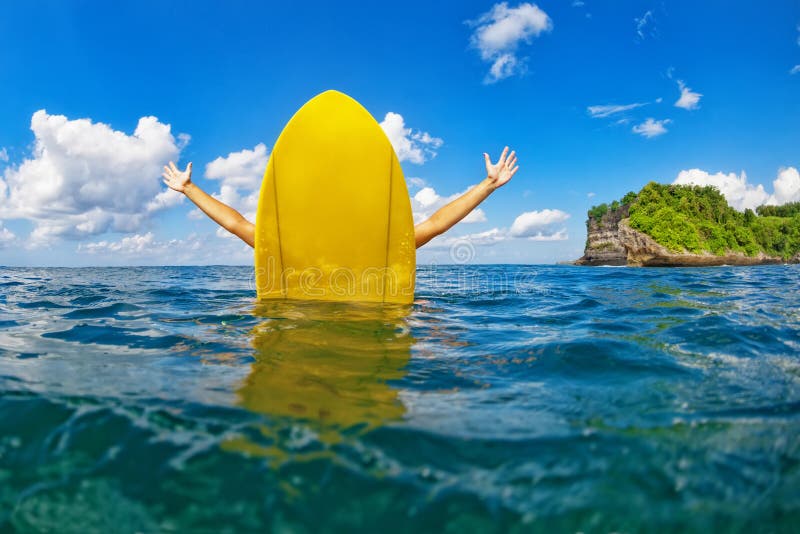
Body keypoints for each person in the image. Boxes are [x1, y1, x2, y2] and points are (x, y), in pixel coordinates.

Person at [162, 147, 518, 249]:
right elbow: (235, 222)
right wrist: (190, 188)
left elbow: (437, 223)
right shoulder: (289, 248)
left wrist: (486, 186)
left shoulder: (382, 245)